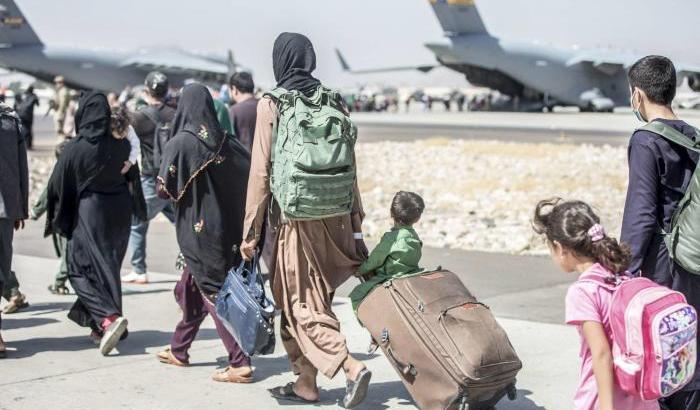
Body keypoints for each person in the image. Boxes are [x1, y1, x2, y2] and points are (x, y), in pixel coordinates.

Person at [240, 32, 371, 407]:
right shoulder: (334, 100)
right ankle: (305, 383)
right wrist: (357, 225)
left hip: (297, 221)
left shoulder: (273, 104)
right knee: (315, 300)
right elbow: (351, 168)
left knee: (299, 303)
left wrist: (250, 231)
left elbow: (260, 174)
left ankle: (349, 366)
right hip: (338, 218)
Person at [154, 84, 253, 383]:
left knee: (212, 292)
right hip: (228, 230)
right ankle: (179, 349)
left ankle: (239, 362)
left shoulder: (181, 143)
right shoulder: (227, 142)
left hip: (198, 233)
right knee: (192, 288)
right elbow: (249, 175)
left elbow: (163, 189)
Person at [620, 55, 700, 410]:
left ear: (638, 95)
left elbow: (641, 212)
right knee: (691, 338)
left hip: (665, 264)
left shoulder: (646, 140)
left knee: (666, 347)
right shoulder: (694, 137)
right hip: (695, 255)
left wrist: (625, 269)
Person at [533, 199, 659, 410]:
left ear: (560, 247)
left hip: (604, 398)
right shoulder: (623, 277)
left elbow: (601, 353)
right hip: (641, 396)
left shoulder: (583, 292)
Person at [46, 91, 146, 356]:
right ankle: (100, 327)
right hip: (120, 212)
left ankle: (108, 319)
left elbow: (57, 184)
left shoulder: (77, 147)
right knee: (106, 268)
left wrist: (59, 214)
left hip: (91, 212)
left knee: (79, 270)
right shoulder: (122, 143)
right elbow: (133, 175)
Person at [123, 72, 176, 284]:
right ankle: (193, 265)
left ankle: (139, 269)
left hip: (150, 179)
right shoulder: (175, 114)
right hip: (173, 178)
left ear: (147, 91)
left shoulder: (139, 117)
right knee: (181, 222)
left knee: (137, 222)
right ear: (167, 90)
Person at [349, 191, 424, 311]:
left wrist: (359, 271)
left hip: (389, 277)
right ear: (418, 218)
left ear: (391, 213)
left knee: (357, 295)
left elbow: (375, 261)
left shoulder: (391, 238)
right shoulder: (414, 236)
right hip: (412, 273)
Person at [0, 100, 28, 357]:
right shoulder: (11, 122)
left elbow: (21, 167)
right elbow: (22, 168)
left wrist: (21, 206)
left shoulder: (11, 122)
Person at [228, 72, 258, 152]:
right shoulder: (265, 106)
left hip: (244, 161)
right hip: (267, 161)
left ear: (234, 89)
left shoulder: (234, 111)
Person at [15, 85, 39, 149]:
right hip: (28, 116)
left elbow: (17, 102)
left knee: (22, 129)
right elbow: (38, 104)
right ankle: (28, 145)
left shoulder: (24, 95)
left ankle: (23, 144)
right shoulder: (33, 96)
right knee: (28, 130)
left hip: (20, 115)